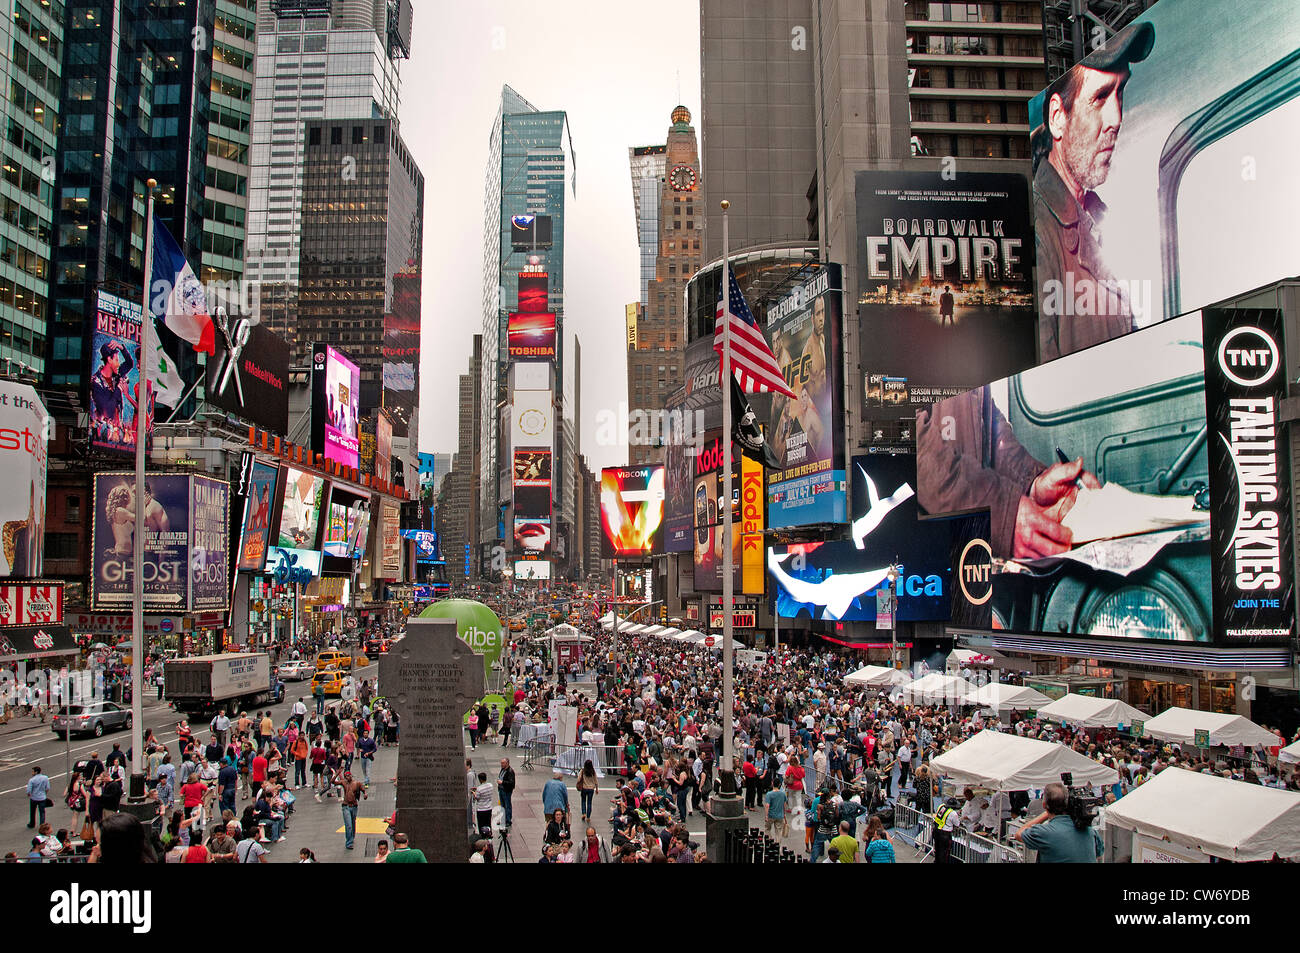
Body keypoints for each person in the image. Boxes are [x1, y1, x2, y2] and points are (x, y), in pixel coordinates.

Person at [1030, 21, 1153, 361]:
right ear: (1058, 117)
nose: (1116, 118)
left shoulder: (1099, 220)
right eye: (1100, 97)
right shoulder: (1036, 231)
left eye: (1120, 92)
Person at [916, 385, 1100, 560]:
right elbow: (912, 441)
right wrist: (1004, 512)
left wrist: (1034, 483)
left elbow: (988, 424)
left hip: (964, 541)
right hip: (925, 549)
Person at [1014, 782, 1104, 863]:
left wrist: (1044, 814)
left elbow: (1018, 834)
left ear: (1044, 804)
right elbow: (1099, 853)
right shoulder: (1089, 830)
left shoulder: (1044, 832)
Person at [338, 770, 367, 850]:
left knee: (353, 822)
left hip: (354, 806)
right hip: (346, 806)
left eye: (349, 776)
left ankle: (352, 837)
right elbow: (332, 782)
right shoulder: (344, 783)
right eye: (346, 776)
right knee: (349, 825)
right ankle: (349, 842)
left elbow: (363, 789)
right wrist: (337, 773)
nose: (348, 777)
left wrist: (365, 794)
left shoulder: (356, 783)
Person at [576, 759, 598, 824]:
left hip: (584, 788)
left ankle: (584, 813)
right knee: (589, 802)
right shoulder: (593, 771)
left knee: (583, 801)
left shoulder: (583, 771)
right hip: (591, 789)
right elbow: (596, 780)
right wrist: (596, 788)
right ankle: (588, 817)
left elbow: (579, 779)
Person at [472, 771, 494, 837]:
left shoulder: (479, 789)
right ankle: (489, 834)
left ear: (480, 779)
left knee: (481, 824)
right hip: (489, 808)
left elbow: (477, 797)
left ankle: (482, 835)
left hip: (481, 809)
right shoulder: (490, 785)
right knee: (488, 823)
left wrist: (474, 793)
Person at [497, 757, 516, 827]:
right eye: (501, 763)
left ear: (507, 763)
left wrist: (502, 782)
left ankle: (508, 820)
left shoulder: (510, 771)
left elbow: (511, 783)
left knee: (507, 805)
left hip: (506, 791)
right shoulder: (503, 769)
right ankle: (503, 819)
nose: (501, 764)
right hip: (501, 790)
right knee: (502, 806)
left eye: (503, 763)